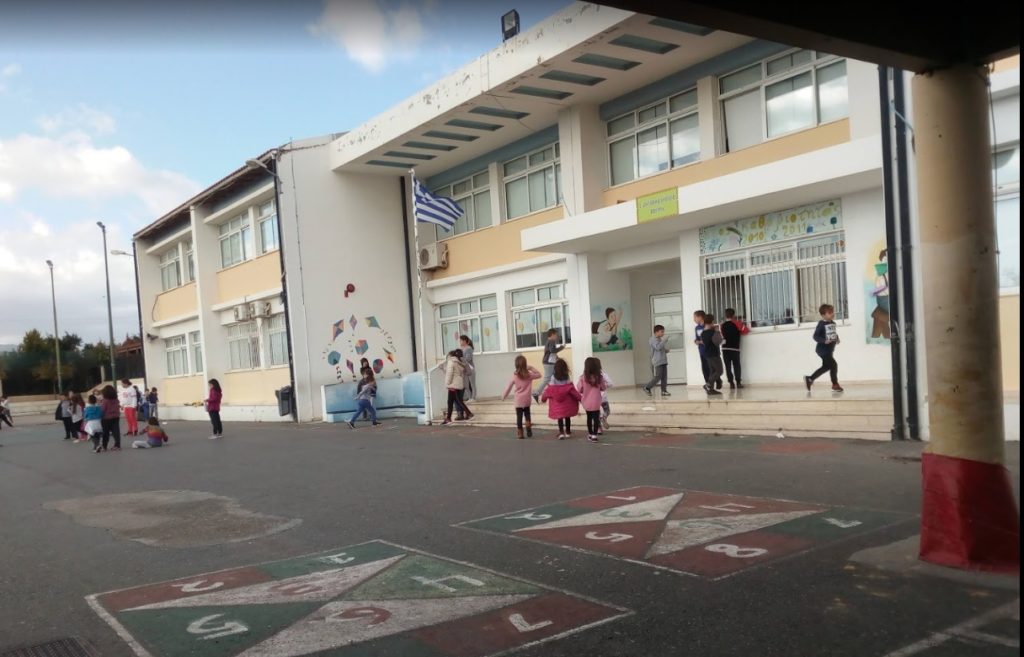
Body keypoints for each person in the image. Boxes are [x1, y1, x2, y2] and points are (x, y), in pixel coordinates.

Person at [805, 304, 844, 392]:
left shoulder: (833, 323)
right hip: (822, 350)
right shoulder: (821, 324)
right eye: (829, 313)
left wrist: (837, 338)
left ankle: (810, 379)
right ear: (823, 315)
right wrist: (824, 341)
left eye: (832, 312)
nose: (832, 314)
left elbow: (833, 333)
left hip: (829, 350)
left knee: (826, 367)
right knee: (833, 365)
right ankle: (835, 384)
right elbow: (815, 336)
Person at [502, 355, 542, 439]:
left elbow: (508, 387)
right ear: (525, 364)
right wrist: (531, 368)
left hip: (518, 401)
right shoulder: (529, 375)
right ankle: (528, 426)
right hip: (527, 400)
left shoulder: (515, 376)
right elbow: (539, 375)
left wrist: (504, 396)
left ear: (516, 365)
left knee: (519, 417)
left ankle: (520, 433)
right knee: (527, 414)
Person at [541, 358, 581, 440]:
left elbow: (550, 389)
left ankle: (561, 433)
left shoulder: (552, 377)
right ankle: (568, 432)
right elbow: (571, 389)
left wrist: (543, 398)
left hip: (557, 403)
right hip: (567, 402)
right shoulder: (567, 377)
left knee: (560, 418)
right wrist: (580, 398)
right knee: (567, 417)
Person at [577, 357, 607, 443]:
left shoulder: (583, 377)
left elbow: (579, 389)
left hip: (586, 401)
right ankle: (594, 435)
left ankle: (590, 434)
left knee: (589, 418)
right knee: (596, 418)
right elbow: (603, 387)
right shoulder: (599, 377)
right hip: (596, 401)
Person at [442, 349, 473, 425]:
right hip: (459, 383)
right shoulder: (460, 362)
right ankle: (448, 418)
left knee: (456, 401)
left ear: (451, 355)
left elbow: (449, 373)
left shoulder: (451, 361)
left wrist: (447, 383)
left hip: (453, 384)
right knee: (452, 401)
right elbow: (463, 372)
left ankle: (469, 413)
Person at [534, 329, 565, 402]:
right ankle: (536, 393)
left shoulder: (549, 341)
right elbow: (552, 351)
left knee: (555, 377)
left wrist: (557, 358)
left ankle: (554, 393)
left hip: (550, 362)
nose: (557, 336)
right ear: (552, 335)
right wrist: (561, 348)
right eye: (556, 335)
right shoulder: (551, 341)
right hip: (549, 363)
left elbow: (551, 353)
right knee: (547, 379)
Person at [721, 308, 748, 389]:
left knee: (728, 366)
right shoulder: (737, 323)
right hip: (734, 348)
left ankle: (731, 383)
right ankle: (738, 383)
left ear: (725, 315)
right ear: (733, 315)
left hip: (725, 348)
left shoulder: (722, 325)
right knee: (736, 365)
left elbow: (721, 335)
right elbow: (746, 331)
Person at [643, 325, 671, 397]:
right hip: (658, 361)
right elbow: (657, 347)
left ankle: (664, 391)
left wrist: (665, 350)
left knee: (664, 377)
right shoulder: (652, 339)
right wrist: (664, 340)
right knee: (658, 376)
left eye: (663, 332)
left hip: (663, 360)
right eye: (661, 332)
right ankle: (647, 387)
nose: (663, 333)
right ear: (656, 332)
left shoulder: (659, 339)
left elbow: (660, 349)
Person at [701, 314, 725, 396]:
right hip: (714, 354)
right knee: (719, 371)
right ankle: (708, 385)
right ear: (712, 322)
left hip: (707, 354)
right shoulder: (713, 332)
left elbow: (705, 342)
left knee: (712, 372)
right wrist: (718, 331)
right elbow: (719, 342)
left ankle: (710, 390)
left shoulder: (703, 333)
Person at [100, 385, 122, 451]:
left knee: (105, 432)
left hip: (106, 418)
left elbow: (103, 410)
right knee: (116, 431)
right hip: (116, 417)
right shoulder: (116, 400)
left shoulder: (105, 400)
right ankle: (117, 445)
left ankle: (104, 446)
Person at [693, 310, 711, 385]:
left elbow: (709, 339)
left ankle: (713, 382)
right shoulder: (697, 328)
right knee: (705, 368)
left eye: (695, 317)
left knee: (711, 367)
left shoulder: (708, 326)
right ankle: (707, 384)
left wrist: (701, 342)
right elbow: (697, 338)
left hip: (709, 351)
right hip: (702, 351)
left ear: (700, 317)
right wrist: (696, 341)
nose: (694, 319)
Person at [460, 335, 476, 401]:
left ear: (464, 341)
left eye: (460, 340)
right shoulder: (462, 349)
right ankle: (469, 397)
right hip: (465, 369)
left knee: (472, 384)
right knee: (466, 385)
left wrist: (461, 359)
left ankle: (473, 398)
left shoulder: (469, 348)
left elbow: (468, 358)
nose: (460, 342)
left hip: (470, 369)